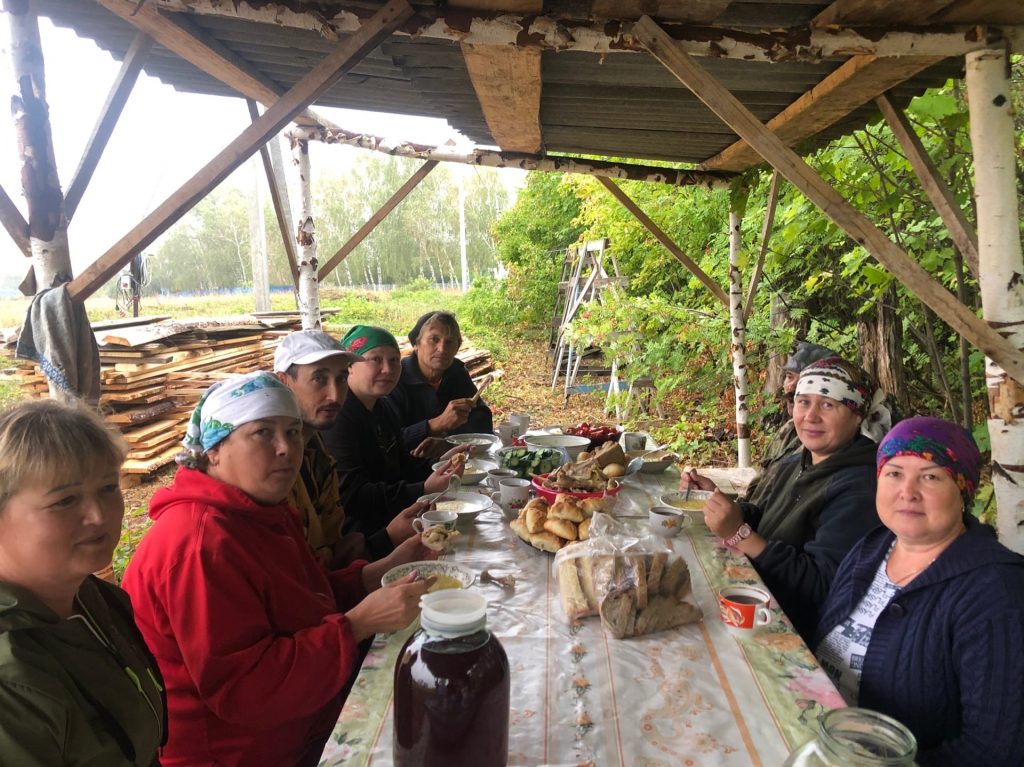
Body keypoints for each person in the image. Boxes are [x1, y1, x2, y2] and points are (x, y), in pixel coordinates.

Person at [121, 372, 435, 766]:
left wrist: (377, 573)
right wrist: (357, 625)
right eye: (262, 433)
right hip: (240, 754)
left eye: (293, 432)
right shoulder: (200, 545)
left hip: (299, 723)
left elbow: (300, 601)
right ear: (214, 450)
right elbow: (246, 688)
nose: (286, 448)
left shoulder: (258, 511)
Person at [814, 417, 1024, 766]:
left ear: (963, 491)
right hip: (820, 738)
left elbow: (996, 751)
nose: (907, 492)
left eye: (930, 477)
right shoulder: (871, 548)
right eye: (894, 473)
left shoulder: (996, 592)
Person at [0, 400, 166, 765]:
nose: (98, 515)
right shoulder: (10, 676)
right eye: (65, 500)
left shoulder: (90, 598)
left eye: (108, 487)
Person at [682, 356, 891, 639]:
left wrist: (740, 535)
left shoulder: (861, 487)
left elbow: (821, 586)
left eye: (828, 405)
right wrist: (715, 500)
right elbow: (764, 515)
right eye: (803, 402)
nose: (810, 416)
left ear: (857, 416)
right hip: (754, 590)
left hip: (786, 626)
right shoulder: (798, 461)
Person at [274, 329, 423, 563]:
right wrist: (385, 540)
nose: (335, 396)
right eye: (319, 378)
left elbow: (330, 546)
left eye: (341, 379)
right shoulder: (274, 464)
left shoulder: (316, 449)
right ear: (283, 382)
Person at [324, 325, 463, 530]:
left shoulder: (383, 406)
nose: (388, 369)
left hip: (393, 515)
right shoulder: (338, 417)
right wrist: (423, 488)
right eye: (376, 359)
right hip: (360, 533)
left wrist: (440, 464)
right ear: (349, 366)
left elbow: (401, 466)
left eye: (394, 360)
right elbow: (353, 496)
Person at [388, 311, 493, 457]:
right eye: (434, 339)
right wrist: (437, 424)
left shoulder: (456, 372)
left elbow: (482, 419)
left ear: (456, 348)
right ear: (416, 344)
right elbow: (387, 441)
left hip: (453, 463)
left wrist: (448, 442)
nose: (442, 349)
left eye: (449, 342)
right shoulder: (396, 378)